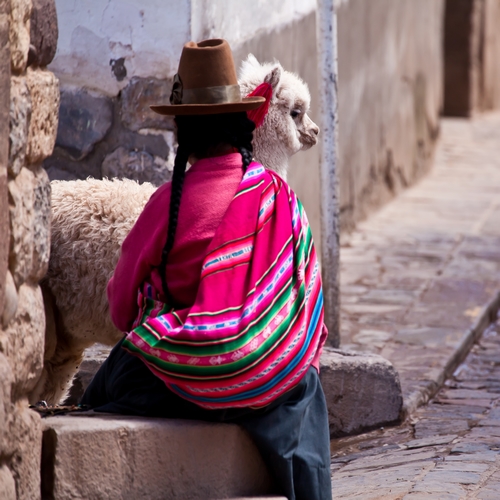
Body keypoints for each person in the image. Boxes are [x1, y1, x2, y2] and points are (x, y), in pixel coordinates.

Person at [82, 38, 332, 500]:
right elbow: (306, 312)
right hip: (265, 381)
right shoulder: (279, 201)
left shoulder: (165, 204)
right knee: (303, 385)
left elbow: (121, 313)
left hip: (177, 380)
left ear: (183, 133)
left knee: (107, 384)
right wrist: (256, 355)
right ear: (243, 121)